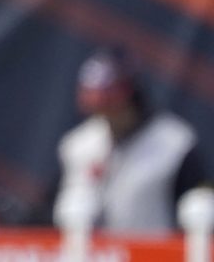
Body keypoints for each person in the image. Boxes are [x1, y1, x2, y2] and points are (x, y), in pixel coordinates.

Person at [55, 47, 211, 234]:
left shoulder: (174, 144)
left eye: (111, 98)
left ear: (130, 92)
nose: (108, 113)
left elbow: (199, 213)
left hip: (154, 254)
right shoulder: (78, 144)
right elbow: (55, 212)